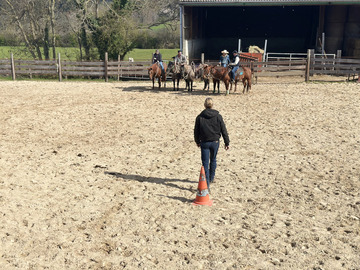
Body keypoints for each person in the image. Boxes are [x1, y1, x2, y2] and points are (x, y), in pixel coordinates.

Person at [194, 98, 230, 191]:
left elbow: (196, 131)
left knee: (205, 163)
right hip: (215, 142)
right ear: (212, 105)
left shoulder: (199, 117)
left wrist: (197, 141)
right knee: (213, 159)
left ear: (204, 105)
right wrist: (227, 142)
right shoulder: (218, 116)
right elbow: (223, 129)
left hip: (205, 142)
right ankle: (211, 177)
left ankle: (207, 184)